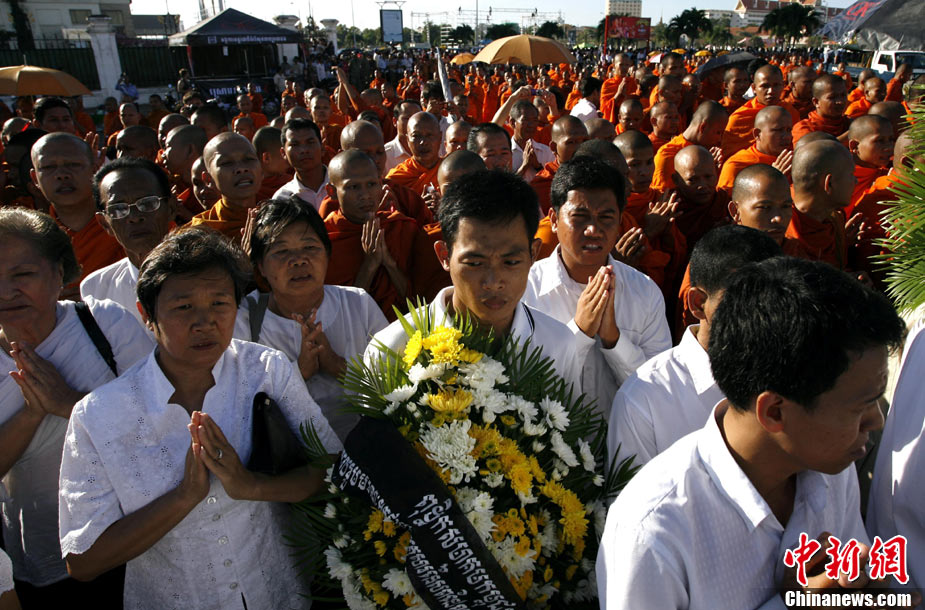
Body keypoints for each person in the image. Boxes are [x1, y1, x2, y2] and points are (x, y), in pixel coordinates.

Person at [597, 255, 907, 609]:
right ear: (774, 411)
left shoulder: (832, 469)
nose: (876, 422)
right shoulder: (654, 531)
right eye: (860, 406)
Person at [58, 227, 342, 609]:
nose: (205, 322)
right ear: (146, 315)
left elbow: (332, 470)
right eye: (183, 307)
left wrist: (252, 485)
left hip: (278, 595)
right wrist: (184, 497)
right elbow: (83, 561)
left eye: (220, 303)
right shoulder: (98, 415)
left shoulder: (266, 370)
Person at [0, 208, 152, 606]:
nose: (6, 291)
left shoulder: (104, 324)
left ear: (59, 273)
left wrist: (68, 403)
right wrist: (33, 412)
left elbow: (158, 422)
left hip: (133, 537)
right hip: (41, 554)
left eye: (22, 274)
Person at [367, 168, 588, 396]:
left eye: (511, 262)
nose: (493, 282)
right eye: (474, 263)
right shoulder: (393, 348)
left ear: (534, 254)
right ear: (444, 256)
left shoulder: (557, 345)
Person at [609, 225, 782, 468]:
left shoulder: (794, 380)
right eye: (744, 298)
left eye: (774, 299)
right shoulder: (645, 398)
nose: (763, 313)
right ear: (698, 303)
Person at [523, 156, 671, 416]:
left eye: (606, 217)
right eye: (579, 217)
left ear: (620, 221)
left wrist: (614, 340)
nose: (593, 230)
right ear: (554, 220)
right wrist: (579, 333)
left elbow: (660, 391)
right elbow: (520, 385)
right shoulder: (525, 291)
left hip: (623, 439)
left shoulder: (644, 292)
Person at [235, 197, 387, 440]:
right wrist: (298, 373)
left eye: (310, 247)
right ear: (260, 266)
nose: (298, 260)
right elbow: (237, 405)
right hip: (288, 460)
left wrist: (337, 366)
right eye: (281, 251)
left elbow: (397, 389)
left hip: (366, 448)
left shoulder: (358, 304)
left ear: (327, 254)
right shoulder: (245, 319)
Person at [323, 150, 419, 319]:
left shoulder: (400, 227)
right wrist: (370, 265)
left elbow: (418, 303)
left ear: (381, 183)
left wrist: (390, 264)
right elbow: (341, 315)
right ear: (331, 191)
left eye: (371, 184)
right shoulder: (326, 240)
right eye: (353, 187)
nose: (365, 195)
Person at [80, 158, 175, 324]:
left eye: (147, 203)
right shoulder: (96, 289)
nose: (134, 217)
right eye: (118, 209)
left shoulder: (207, 277)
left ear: (171, 208)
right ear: (104, 223)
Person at [30, 133, 123, 285]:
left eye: (73, 164)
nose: (62, 175)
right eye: (48, 167)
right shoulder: (31, 237)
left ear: (95, 169)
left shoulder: (126, 224)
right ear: (35, 179)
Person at [786, 140, 856, 270]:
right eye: (851, 175)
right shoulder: (781, 229)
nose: (855, 181)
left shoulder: (834, 219)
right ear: (829, 183)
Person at [190, 133, 263, 242]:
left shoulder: (280, 217)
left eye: (249, 159)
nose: (241, 168)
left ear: (261, 169)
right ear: (208, 179)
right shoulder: (200, 235)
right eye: (227, 163)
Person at [722, 64, 800, 159]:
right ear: (754, 88)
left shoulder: (790, 112)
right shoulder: (740, 118)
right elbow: (729, 156)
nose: (771, 91)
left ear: (783, 86)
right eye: (765, 86)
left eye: (776, 85)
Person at [651, 101, 727, 191]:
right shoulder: (668, 155)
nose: (719, 139)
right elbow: (665, 196)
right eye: (718, 133)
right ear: (702, 127)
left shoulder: (709, 153)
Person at [717, 105, 793, 193]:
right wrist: (773, 180)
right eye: (778, 130)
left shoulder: (793, 160)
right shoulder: (737, 166)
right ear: (757, 134)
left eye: (789, 130)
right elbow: (730, 200)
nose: (786, 137)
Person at [671, 145, 731, 252]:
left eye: (708, 177)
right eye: (692, 180)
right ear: (676, 180)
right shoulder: (670, 210)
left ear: (717, 173)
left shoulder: (724, 201)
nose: (702, 185)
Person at [529, 116, 588, 214]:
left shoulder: (598, 174)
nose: (581, 148)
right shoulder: (542, 184)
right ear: (553, 147)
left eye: (585, 141)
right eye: (571, 142)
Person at [273, 119, 328, 210]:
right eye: (295, 145)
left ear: (322, 148)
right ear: (283, 153)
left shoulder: (343, 185)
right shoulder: (282, 199)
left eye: (310, 142)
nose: (304, 150)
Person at [385, 112, 442, 193]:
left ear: (440, 137)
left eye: (429, 135)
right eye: (416, 136)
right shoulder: (395, 179)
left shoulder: (451, 171)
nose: (423, 142)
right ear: (408, 140)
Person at [846, 115, 893, 213]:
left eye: (891, 139)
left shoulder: (887, 175)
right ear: (854, 146)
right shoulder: (841, 176)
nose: (889, 147)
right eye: (880, 141)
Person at [163, 125, 208, 219]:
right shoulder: (174, 183)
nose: (163, 154)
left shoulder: (211, 181)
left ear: (190, 150)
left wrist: (182, 211)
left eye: (167, 147)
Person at [792, 74, 850, 144]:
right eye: (832, 97)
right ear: (816, 102)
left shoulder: (849, 124)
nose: (840, 101)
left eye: (843, 95)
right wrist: (851, 134)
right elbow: (813, 149)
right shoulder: (804, 128)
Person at [384, 100, 421, 172]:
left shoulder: (431, 150)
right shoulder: (385, 155)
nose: (414, 123)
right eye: (407, 118)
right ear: (395, 121)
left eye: (418, 118)